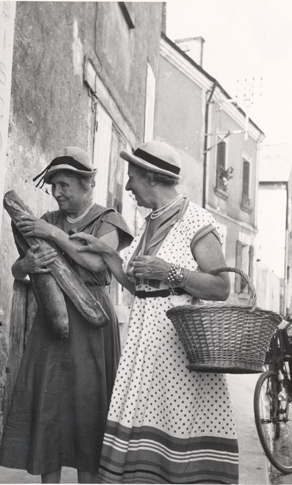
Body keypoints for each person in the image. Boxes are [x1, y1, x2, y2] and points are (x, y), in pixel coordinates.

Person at [71, 141, 239, 484]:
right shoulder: (149, 223)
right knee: (145, 423)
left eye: (132, 178)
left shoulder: (196, 220)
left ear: (151, 177)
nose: (129, 186)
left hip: (178, 352)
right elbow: (139, 288)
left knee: (176, 425)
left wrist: (170, 272)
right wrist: (106, 252)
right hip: (145, 348)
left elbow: (222, 288)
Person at [0, 147, 133, 483]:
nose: (56, 192)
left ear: (87, 185)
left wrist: (54, 235)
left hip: (92, 322)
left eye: (64, 185)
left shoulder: (109, 221)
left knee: (89, 408)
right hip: (52, 319)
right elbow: (18, 272)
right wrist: (26, 265)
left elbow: (97, 263)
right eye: (53, 185)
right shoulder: (45, 220)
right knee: (51, 405)